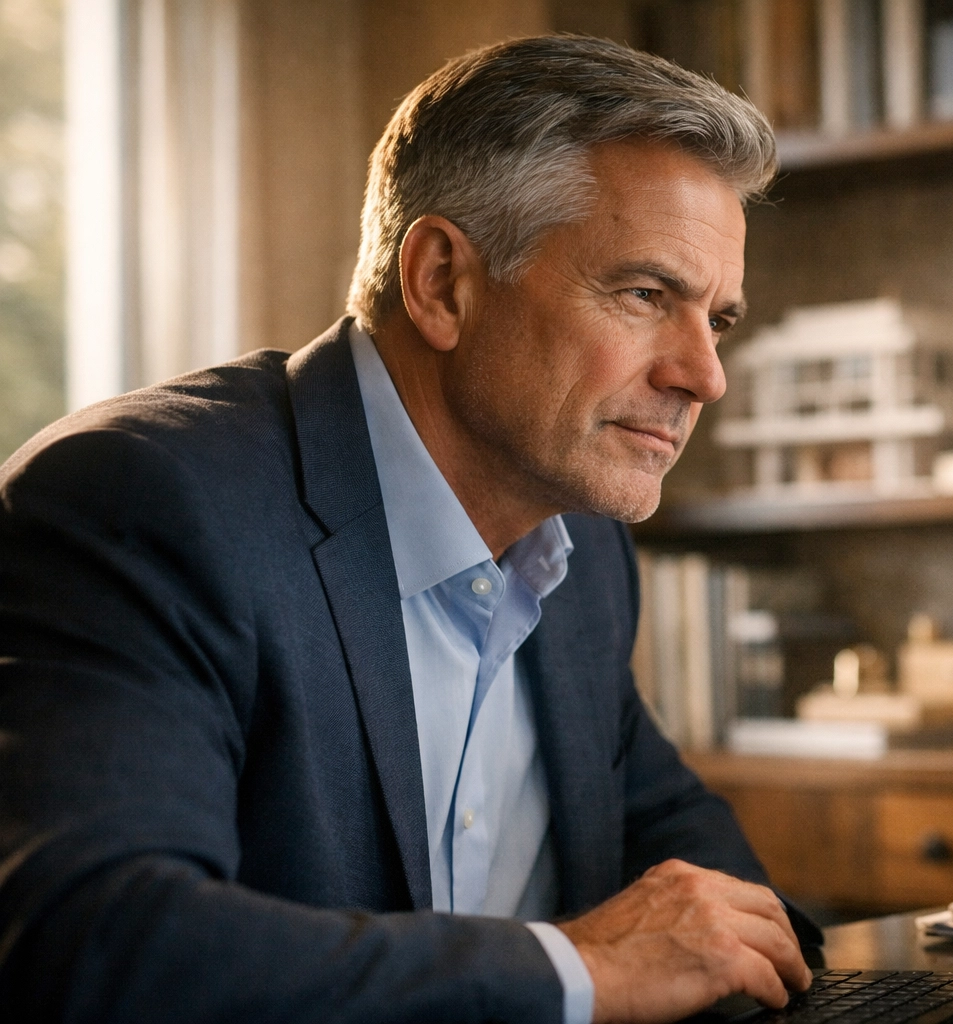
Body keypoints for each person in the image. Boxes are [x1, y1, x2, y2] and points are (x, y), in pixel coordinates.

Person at [0, 34, 818, 1023]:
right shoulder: (140, 500)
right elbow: (95, 941)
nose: (704, 374)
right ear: (441, 282)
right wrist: (578, 971)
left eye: (716, 320)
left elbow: (671, 837)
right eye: (647, 294)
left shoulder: (582, 546)